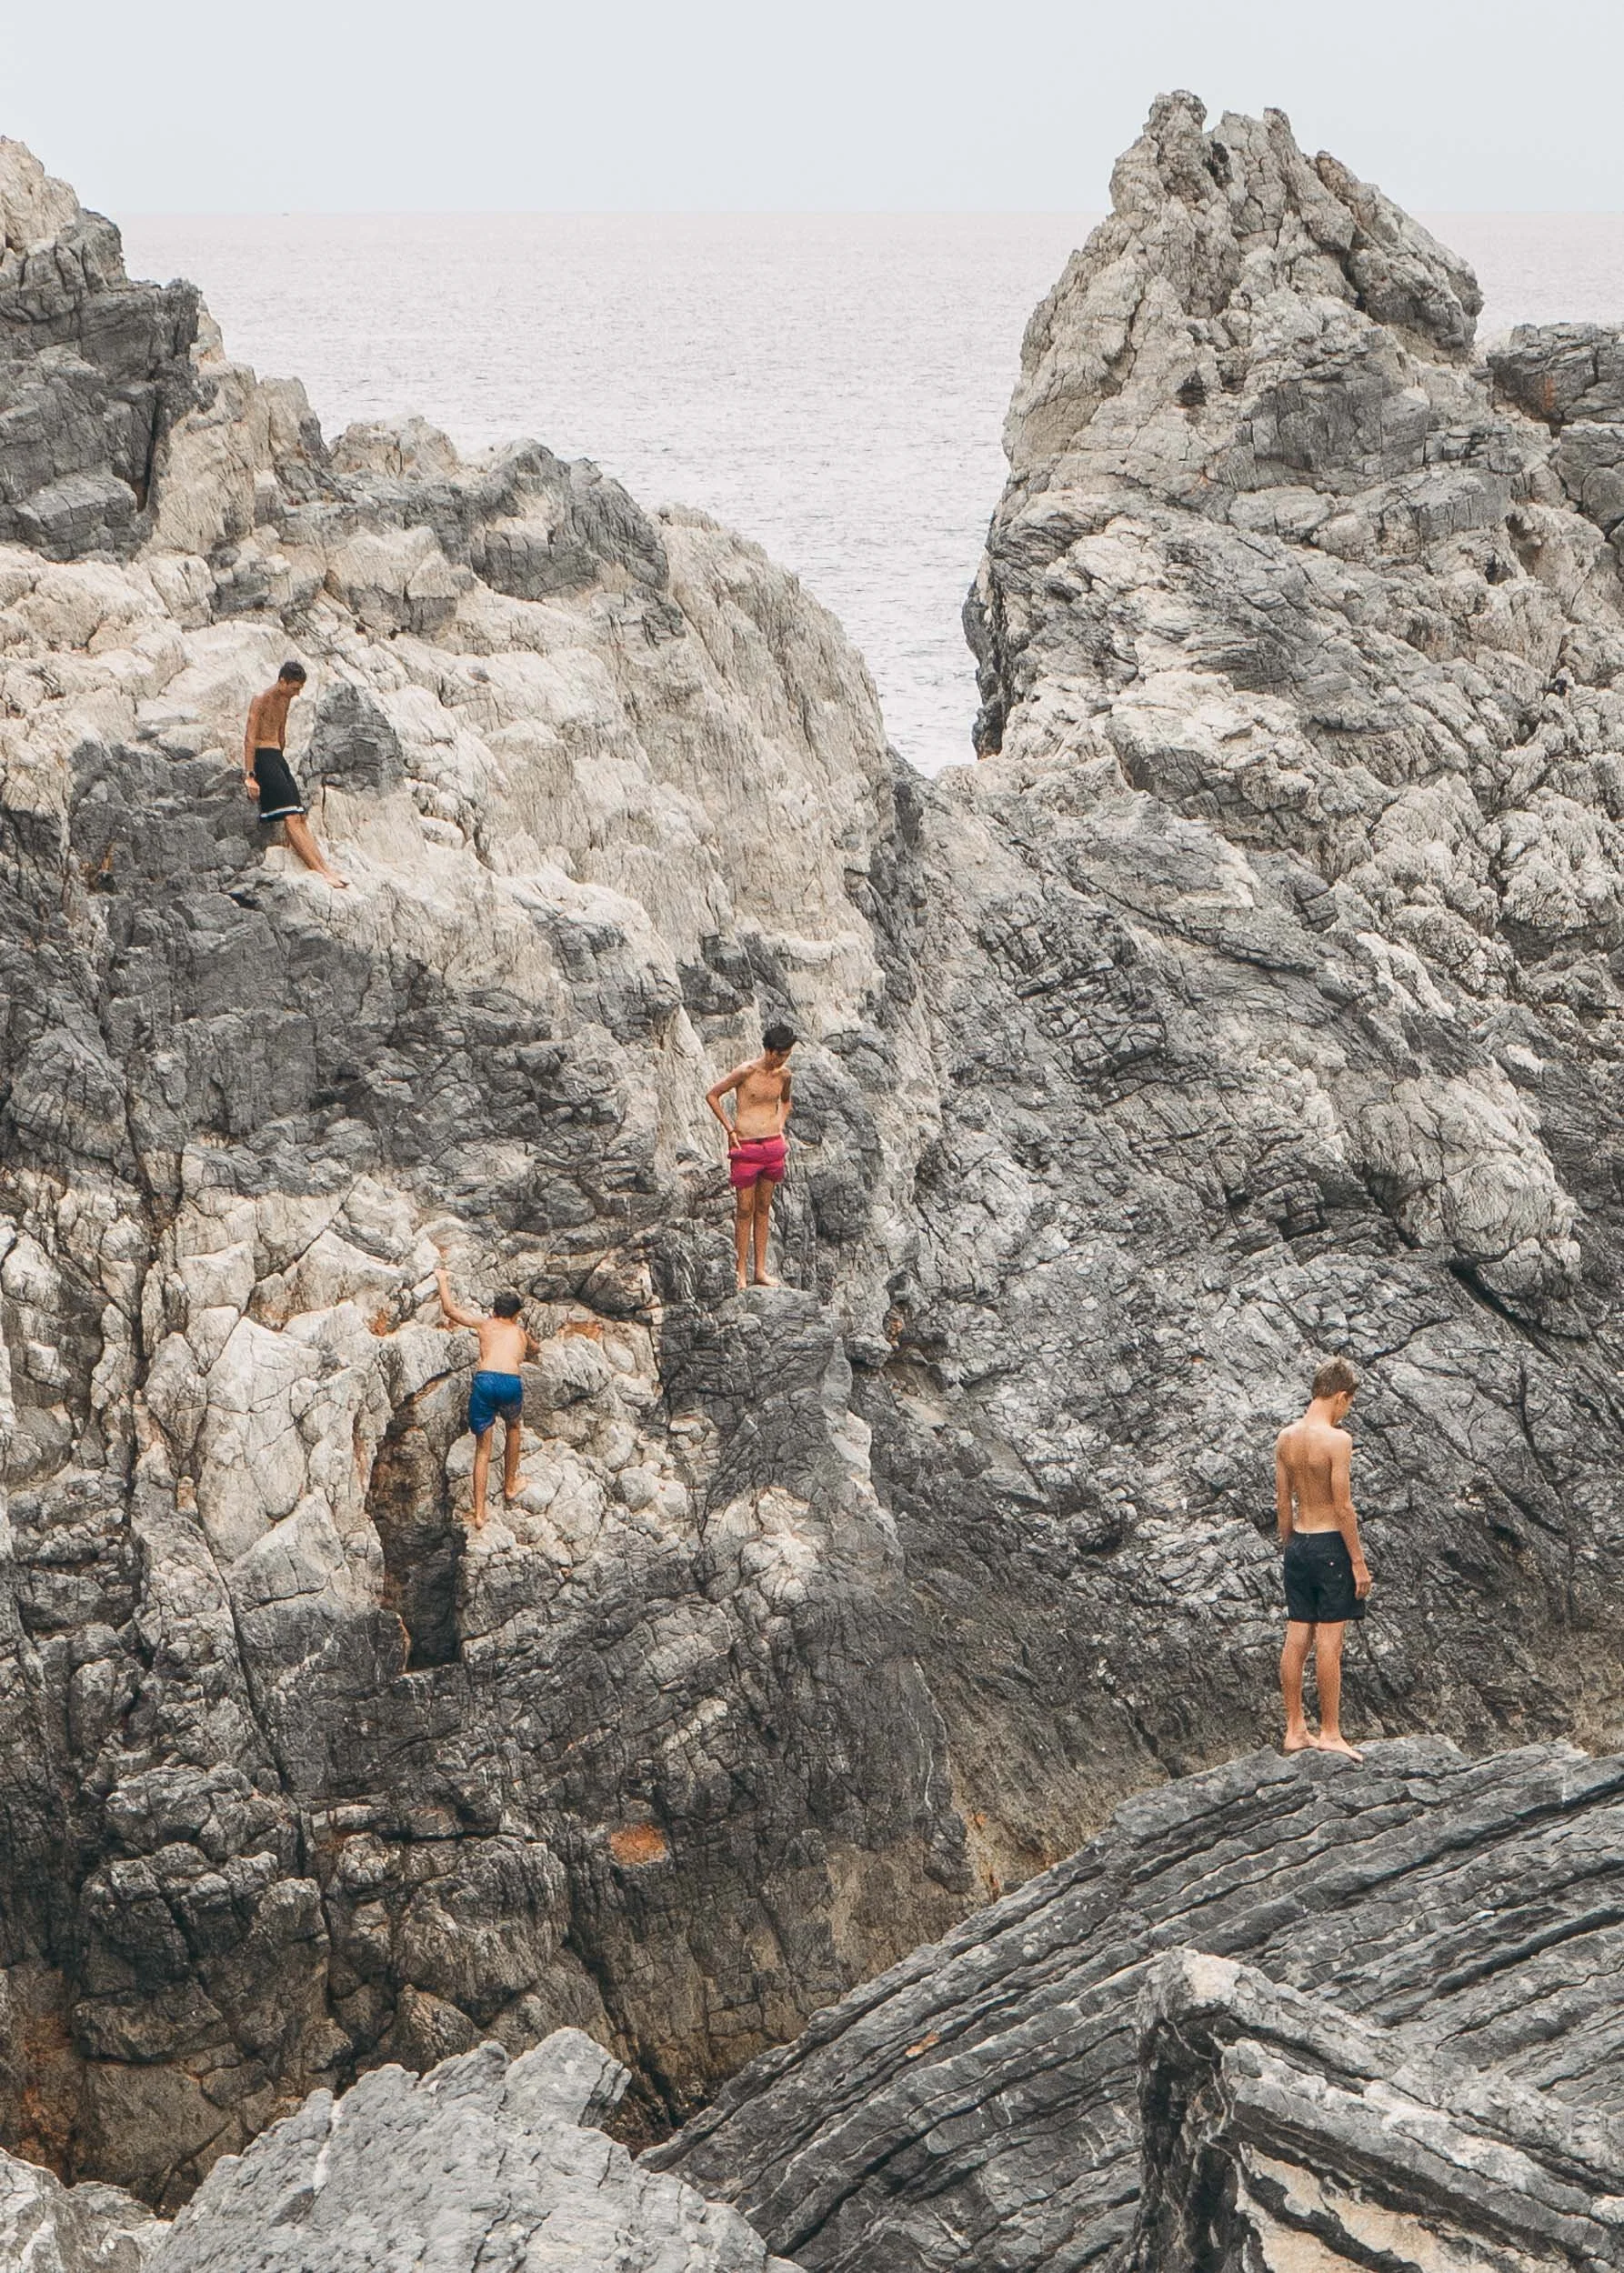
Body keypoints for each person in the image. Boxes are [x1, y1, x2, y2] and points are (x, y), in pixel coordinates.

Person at [1275, 1357, 1372, 1761]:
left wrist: (1292, 1547)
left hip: (1298, 1544)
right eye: (1348, 1403)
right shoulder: (1337, 1441)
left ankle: (1295, 1729)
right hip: (1331, 1545)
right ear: (1340, 1396)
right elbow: (1344, 1507)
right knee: (1329, 1643)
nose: (1346, 1411)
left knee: (1297, 1636)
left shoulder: (1286, 1438)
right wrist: (1358, 1562)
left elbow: (1283, 1503)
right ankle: (1330, 1732)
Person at [436, 1264, 538, 1524]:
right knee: (513, 1427)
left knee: (483, 1449)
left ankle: (480, 1513)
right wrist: (535, 1347)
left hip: (485, 1381)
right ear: (516, 1315)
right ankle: (510, 1486)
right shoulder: (520, 1333)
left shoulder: (485, 1324)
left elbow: (450, 1310)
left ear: (494, 1311)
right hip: (510, 1382)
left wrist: (442, 1279)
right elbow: (535, 1349)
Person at [707, 1023, 796, 1290]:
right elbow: (713, 1095)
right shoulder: (746, 1072)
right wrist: (730, 1129)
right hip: (746, 1145)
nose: (783, 1060)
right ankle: (740, 1272)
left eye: (787, 1055)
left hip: (772, 1145)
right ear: (770, 1050)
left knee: (763, 1208)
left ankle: (760, 1271)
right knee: (744, 1209)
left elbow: (786, 1102)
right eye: (781, 1055)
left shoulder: (784, 1075)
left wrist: (780, 1125)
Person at [244, 660, 348, 887]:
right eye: (294, 688)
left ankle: (326, 868)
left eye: (299, 689)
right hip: (262, 758)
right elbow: (249, 738)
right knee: (290, 817)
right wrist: (250, 775)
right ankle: (320, 873)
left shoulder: (285, 699)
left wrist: (282, 765)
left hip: (277, 758)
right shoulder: (260, 699)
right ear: (282, 681)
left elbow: (281, 733)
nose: (297, 693)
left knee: (300, 816)